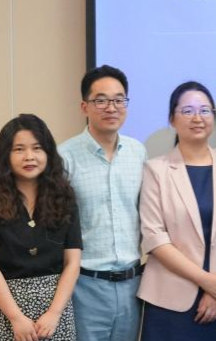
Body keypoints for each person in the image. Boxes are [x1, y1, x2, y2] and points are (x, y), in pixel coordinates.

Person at [137, 82, 216, 340]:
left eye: (205, 111)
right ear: (172, 118)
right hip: (169, 301)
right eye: (187, 111)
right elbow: (155, 237)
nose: (197, 118)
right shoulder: (156, 170)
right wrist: (205, 281)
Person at [0, 114, 82, 341]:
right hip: (4, 312)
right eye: (19, 149)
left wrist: (54, 313)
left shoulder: (64, 198)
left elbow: (72, 263)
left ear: (48, 153)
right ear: (6, 155)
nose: (29, 156)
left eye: (37, 148)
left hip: (54, 313)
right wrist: (16, 318)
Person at [59, 65, 147, 341]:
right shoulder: (64, 157)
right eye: (101, 100)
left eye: (119, 100)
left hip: (132, 284)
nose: (111, 107)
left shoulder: (138, 151)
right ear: (84, 107)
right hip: (85, 284)